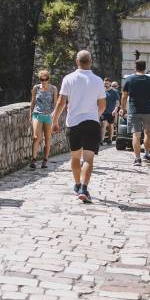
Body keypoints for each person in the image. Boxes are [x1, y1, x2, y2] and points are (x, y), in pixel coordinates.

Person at [51, 50, 105, 203]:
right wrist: (95, 114)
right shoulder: (98, 81)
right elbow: (102, 105)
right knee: (88, 158)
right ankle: (84, 188)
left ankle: (77, 184)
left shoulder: (69, 78)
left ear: (77, 61)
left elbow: (61, 102)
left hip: (73, 123)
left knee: (75, 157)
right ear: (91, 62)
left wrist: (54, 120)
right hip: (92, 122)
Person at [120, 59, 150, 166]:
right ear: (145, 68)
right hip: (147, 111)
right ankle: (146, 155)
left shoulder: (129, 80)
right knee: (148, 133)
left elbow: (124, 96)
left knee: (136, 135)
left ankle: (137, 159)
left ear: (135, 67)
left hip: (133, 111)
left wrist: (122, 108)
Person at [29, 70, 57, 169]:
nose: (43, 81)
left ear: (48, 79)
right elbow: (33, 102)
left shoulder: (53, 89)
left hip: (48, 116)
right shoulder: (36, 88)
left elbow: (55, 104)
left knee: (47, 139)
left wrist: (55, 118)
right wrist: (30, 114)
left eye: (45, 79)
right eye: (41, 79)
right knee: (36, 137)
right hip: (37, 114)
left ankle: (45, 160)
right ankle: (33, 160)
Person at [101, 79, 119, 145]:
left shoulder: (114, 92)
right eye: (105, 83)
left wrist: (115, 110)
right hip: (103, 111)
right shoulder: (101, 91)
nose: (105, 85)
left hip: (111, 112)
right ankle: (102, 140)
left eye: (107, 83)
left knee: (111, 126)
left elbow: (117, 102)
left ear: (110, 84)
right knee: (103, 124)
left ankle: (110, 139)